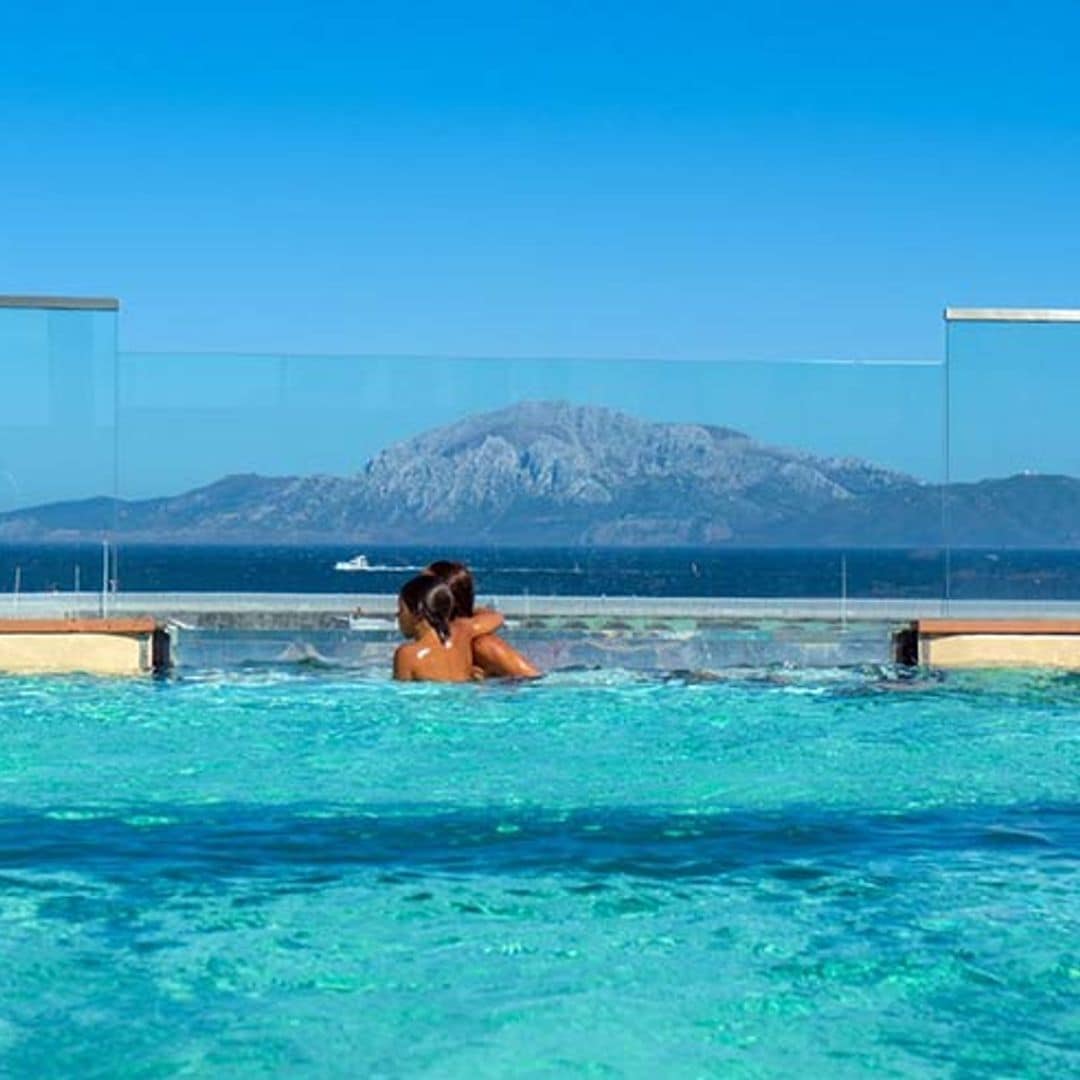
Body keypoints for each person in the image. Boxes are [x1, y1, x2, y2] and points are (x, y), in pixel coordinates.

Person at [425, 560, 541, 678]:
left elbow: (534, 680)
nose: (413, 590)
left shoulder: (482, 646)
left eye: (422, 585)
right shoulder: (429, 642)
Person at [393, 574, 505, 682]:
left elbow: (401, 697)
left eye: (401, 610)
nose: (397, 615)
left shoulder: (406, 655)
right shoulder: (462, 632)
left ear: (417, 614)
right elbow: (497, 617)